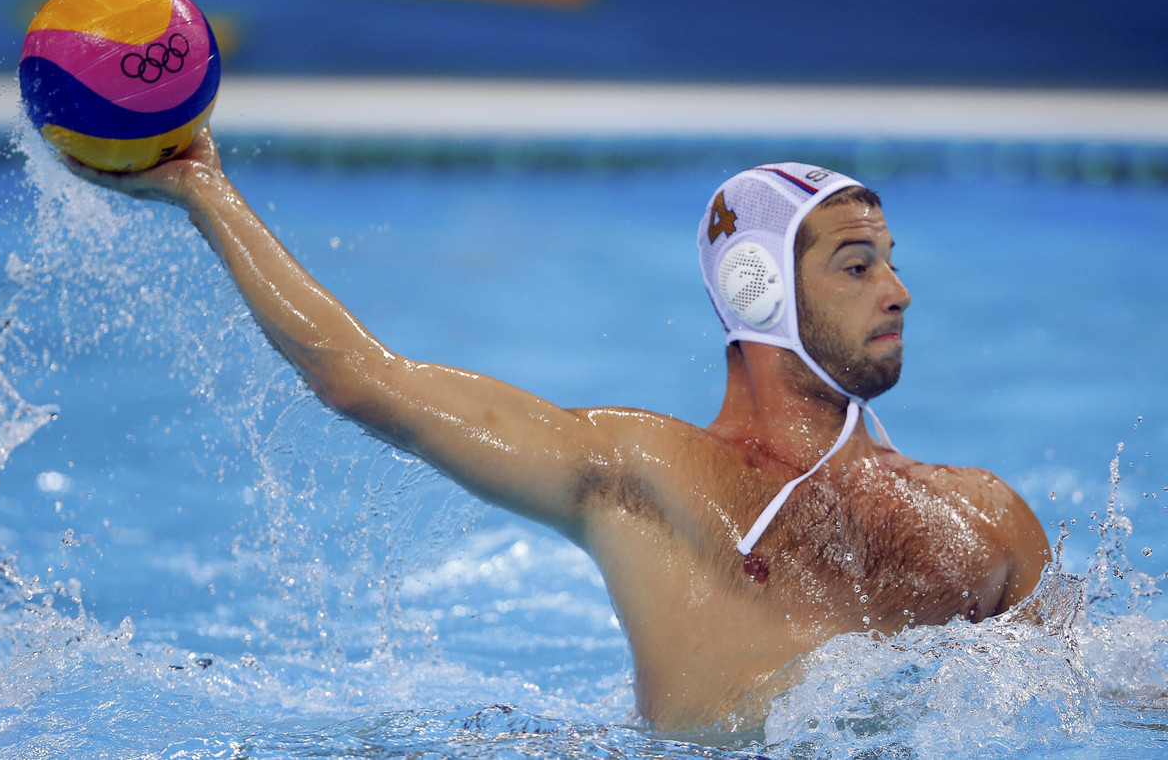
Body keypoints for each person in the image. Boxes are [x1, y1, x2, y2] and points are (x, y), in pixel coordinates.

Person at [69, 132, 1050, 734]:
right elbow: (364, 381)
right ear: (758, 290)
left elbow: (1088, 690)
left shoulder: (986, 519)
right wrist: (204, 190)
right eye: (858, 264)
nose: (899, 290)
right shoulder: (643, 474)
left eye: (890, 261)